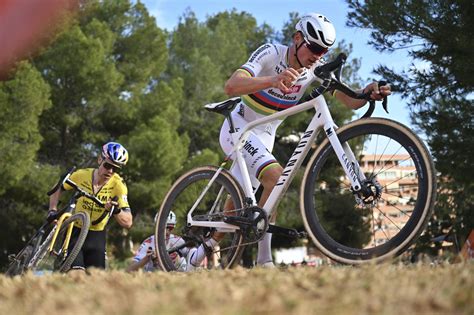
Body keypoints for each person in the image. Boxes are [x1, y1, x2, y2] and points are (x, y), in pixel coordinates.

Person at [187, 13, 392, 268]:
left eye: (324, 51)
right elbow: (231, 86)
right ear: (297, 39)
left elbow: (348, 100)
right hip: (240, 125)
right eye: (315, 48)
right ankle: (264, 262)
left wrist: (367, 93)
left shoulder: (315, 68)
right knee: (276, 178)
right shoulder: (272, 53)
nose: (318, 56)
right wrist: (273, 79)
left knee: (241, 207)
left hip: (265, 135)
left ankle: (201, 251)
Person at [48, 142, 133, 272]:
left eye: (115, 169)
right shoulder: (82, 175)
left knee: (95, 280)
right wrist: (52, 209)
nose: (110, 171)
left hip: (97, 235)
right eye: (108, 165)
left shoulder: (118, 186)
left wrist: (115, 210)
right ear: (100, 159)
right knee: (77, 274)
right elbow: (57, 188)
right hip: (75, 230)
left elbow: (128, 222)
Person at [127, 211, 191, 272]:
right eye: (162, 228)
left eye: (170, 228)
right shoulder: (148, 243)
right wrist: (147, 258)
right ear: (156, 227)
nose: (166, 231)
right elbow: (130, 269)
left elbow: (193, 258)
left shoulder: (178, 241)